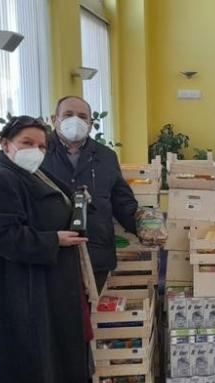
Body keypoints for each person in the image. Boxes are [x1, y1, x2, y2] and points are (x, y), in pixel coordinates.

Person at [0, 116, 90, 383]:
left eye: (41, 146)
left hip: (41, 277)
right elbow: (3, 236)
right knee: (27, 350)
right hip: (19, 285)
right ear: (5, 143)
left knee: (43, 349)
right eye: (27, 143)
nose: (35, 151)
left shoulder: (30, 173)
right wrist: (53, 240)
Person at [41, 96, 139, 291]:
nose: (75, 120)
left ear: (90, 123)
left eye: (82, 116)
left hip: (96, 252)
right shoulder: (39, 154)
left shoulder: (106, 156)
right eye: (68, 114)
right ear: (54, 119)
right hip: (52, 255)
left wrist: (144, 226)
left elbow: (121, 201)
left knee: (91, 307)